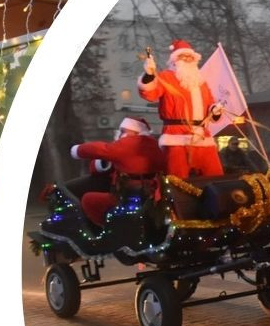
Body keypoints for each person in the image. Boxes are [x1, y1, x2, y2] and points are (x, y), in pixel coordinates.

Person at [138, 39, 226, 179]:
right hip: (176, 137)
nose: (187, 59)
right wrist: (149, 75)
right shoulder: (166, 77)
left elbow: (210, 105)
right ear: (175, 60)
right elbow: (150, 93)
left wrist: (215, 110)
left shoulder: (201, 82)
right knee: (177, 179)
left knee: (215, 176)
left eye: (190, 57)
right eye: (183, 56)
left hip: (202, 136)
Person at [69, 117, 166, 227]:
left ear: (134, 131)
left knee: (89, 200)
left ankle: (103, 228)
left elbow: (99, 149)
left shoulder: (129, 144)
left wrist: (78, 150)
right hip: (150, 195)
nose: (120, 134)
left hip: (128, 196)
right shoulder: (154, 144)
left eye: (123, 131)